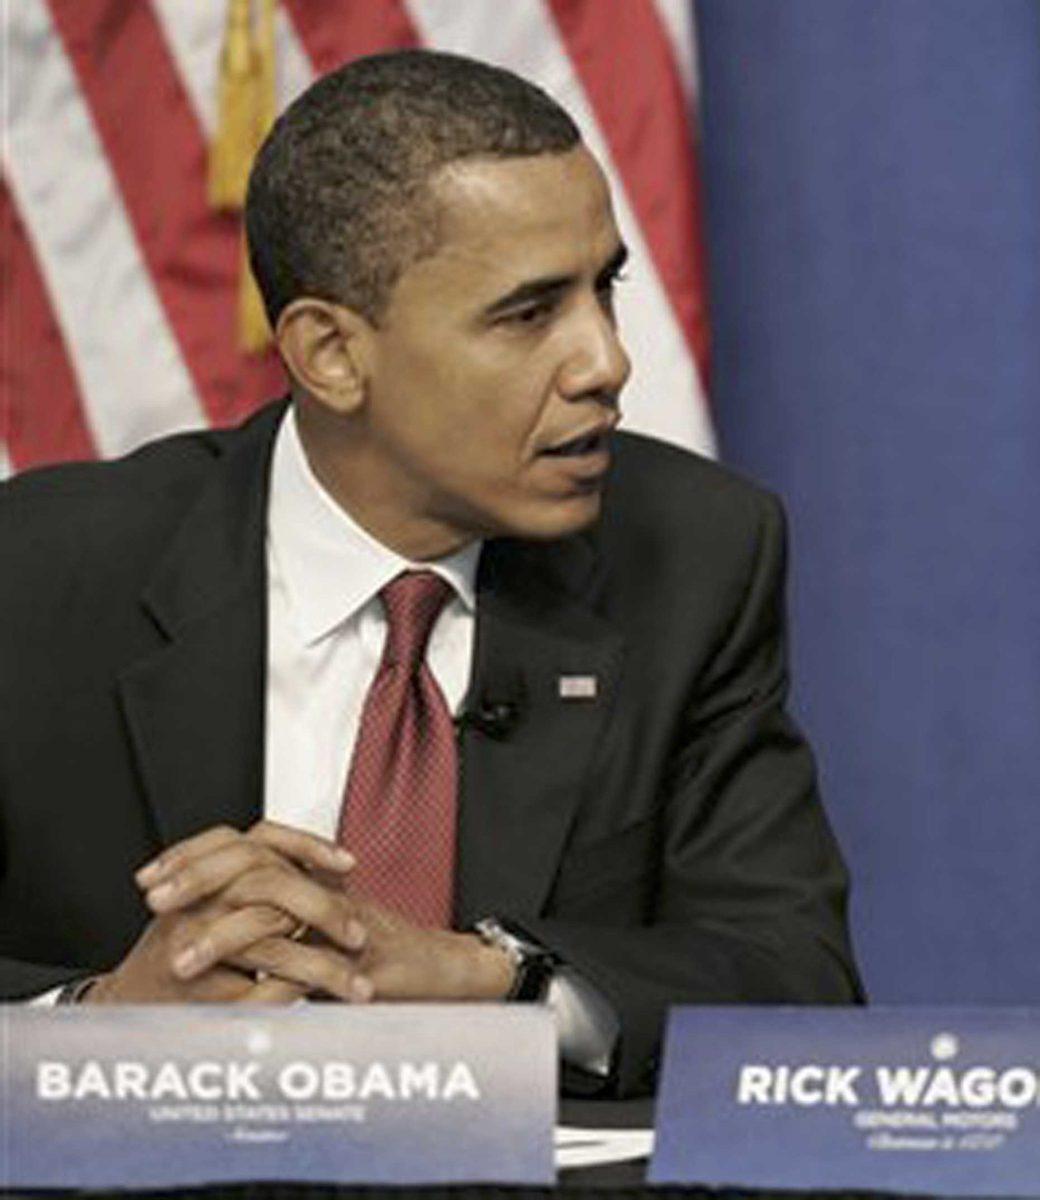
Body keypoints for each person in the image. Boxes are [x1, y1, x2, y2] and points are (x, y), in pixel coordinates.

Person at [0, 49, 862, 1096]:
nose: (604, 362)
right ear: (330, 354)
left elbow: (794, 982)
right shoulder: (38, 576)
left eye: (605, 288)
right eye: (528, 313)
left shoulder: (692, 556)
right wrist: (99, 1022)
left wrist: (495, 982)